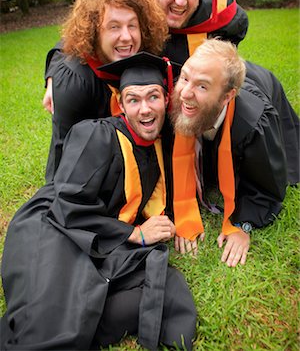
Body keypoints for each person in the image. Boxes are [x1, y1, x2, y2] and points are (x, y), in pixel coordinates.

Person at [0, 53, 198, 351]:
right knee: (52, 319)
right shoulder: (96, 135)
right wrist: (135, 234)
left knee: (162, 283)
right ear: (121, 104)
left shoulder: (162, 141)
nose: (144, 109)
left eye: (153, 97)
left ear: (166, 98)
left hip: (100, 233)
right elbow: (67, 202)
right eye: (133, 99)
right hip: (55, 225)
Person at [170, 38, 299, 267]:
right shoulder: (176, 97)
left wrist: (244, 225)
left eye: (202, 86)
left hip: (260, 85)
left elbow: (266, 188)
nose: (185, 93)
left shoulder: (255, 124)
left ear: (228, 96)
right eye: (185, 77)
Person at [43, 0, 169, 181]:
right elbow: (64, 148)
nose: (126, 37)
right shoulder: (76, 81)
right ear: (95, 33)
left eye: (132, 26)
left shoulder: (144, 56)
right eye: (114, 27)